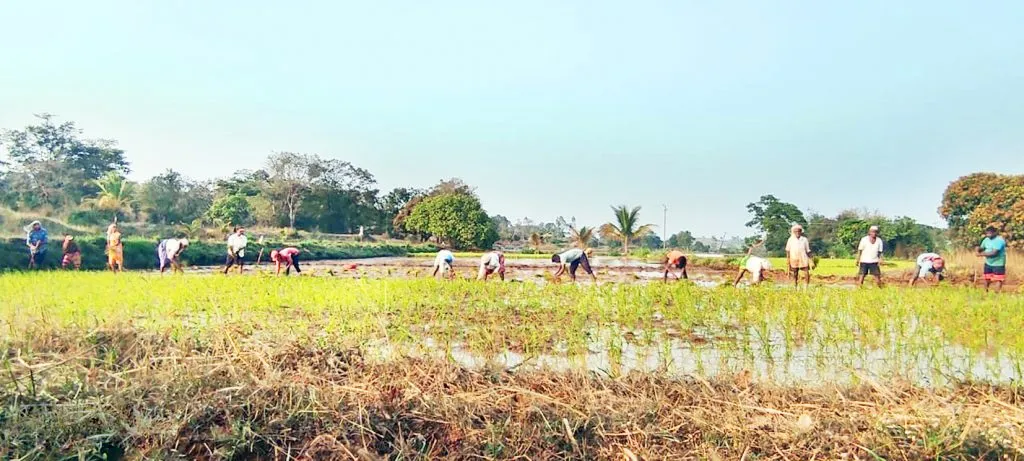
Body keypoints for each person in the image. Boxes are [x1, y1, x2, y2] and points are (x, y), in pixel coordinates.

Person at [978, 226, 1007, 292]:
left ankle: (996, 294)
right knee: (986, 278)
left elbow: (994, 253)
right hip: (988, 262)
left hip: (998, 263)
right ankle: (985, 293)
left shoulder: (999, 240)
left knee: (998, 279)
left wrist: (980, 254)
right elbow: (981, 248)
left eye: (990, 233)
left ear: (995, 233)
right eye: (987, 233)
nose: (988, 235)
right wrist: (977, 249)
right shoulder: (986, 239)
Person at [785, 224, 812, 288]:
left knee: (806, 272)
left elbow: (808, 250)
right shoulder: (790, 239)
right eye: (796, 231)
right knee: (795, 273)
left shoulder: (804, 239)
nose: (797, 232)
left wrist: (811, 260)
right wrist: (788, 259)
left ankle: (806, 286)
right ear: (793, 232)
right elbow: (788, 250)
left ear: (801, 232)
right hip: (794, 258)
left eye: (799, 231)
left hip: (803, 258)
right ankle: (795, 286)